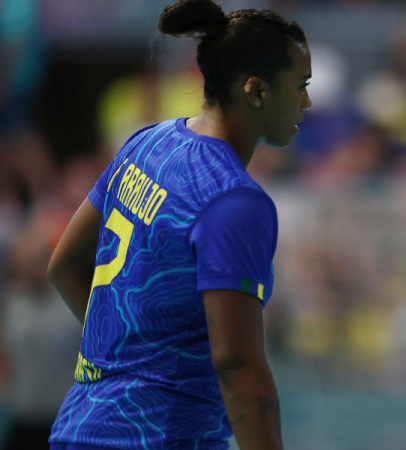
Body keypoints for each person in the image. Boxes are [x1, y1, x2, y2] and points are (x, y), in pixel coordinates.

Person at [46, 0, 311, 448]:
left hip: (79, 426)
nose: (306, 101)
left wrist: (123, 361)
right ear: (256, 90)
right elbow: (238, 363)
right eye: (299, 85)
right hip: (162, 437)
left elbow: (65, 267)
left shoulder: (146, 143)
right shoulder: (234, 200)